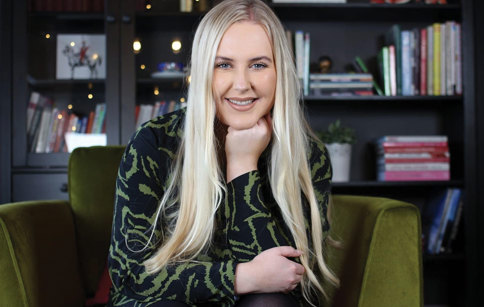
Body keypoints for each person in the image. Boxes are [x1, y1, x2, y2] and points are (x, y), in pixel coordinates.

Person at [107, 0, 338, 306]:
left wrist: (243, 166)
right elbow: (131, 274)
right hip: (164, 302)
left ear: (279, 71)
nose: (242, 84)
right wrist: (244, 277)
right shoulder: (153, 143)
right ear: (204, 71)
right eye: (224, 64)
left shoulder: (309, 156)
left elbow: (286, 279)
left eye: (258, 64)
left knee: (270, 302)